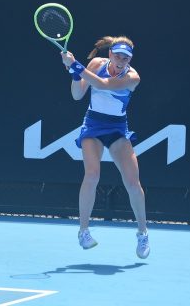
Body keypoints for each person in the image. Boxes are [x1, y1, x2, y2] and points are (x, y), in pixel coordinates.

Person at [61, 36, 150, 259]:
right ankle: (83, 231)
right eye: (118, 55)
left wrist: (75, 65)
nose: (121, 60)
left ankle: (142, 233)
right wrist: (74, 74)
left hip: (118, 128)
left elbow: (102, 85)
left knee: (132, 182)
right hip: (93, 124)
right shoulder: (95, 65)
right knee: (91, 175)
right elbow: (77, 95)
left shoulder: (132, 77)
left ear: (130, 59)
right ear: (110, 54)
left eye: (126, 57)